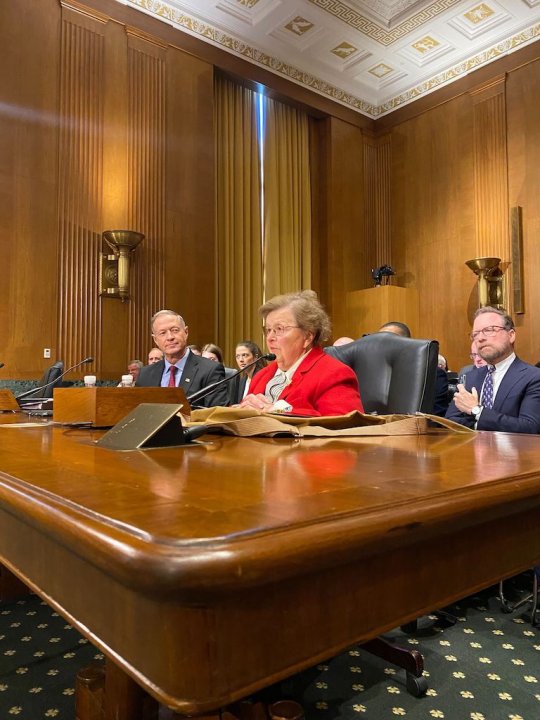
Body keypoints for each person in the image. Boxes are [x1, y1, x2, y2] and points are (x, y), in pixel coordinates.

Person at [239, 290, 363, 416]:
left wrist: (275, 410)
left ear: (308, 336)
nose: (270, 337)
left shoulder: (334, 374)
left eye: (279, 329)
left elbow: (345, 425)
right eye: (268, 330)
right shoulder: (261, 376)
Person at [446, 306, 540, 433]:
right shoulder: (470, 377)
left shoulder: (533, 377)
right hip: (470, 451)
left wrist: (477, 411)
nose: (480, 338)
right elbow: (451, 422)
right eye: (475, 334)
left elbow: (530, 427)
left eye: (489, 330)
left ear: (511, 335)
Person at [136, 310, 229, 407]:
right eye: (163, 333)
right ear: (155, 339)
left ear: (186, 332)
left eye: (175, 330)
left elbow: (216, 414)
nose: (170, 337)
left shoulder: (210, 370)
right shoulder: (145, 375)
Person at [379, 321, 449, 416]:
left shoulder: (432, 375)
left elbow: (435, 418)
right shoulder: (371, 375)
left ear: (407, 344)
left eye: (389, 342)